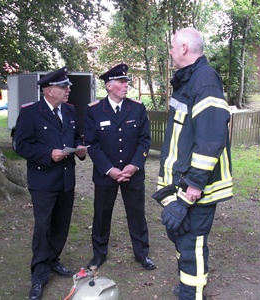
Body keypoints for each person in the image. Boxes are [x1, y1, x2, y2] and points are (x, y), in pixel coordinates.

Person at [152, 28, 233, 300]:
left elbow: (211, 139)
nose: (171, 52)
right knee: (181, 236)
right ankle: (188, 287)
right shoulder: (189, 80)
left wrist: (194, 185)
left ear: (185, 48)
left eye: (173, 47)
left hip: (196, 186)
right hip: (183, 182)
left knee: (191, 244)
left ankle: (192, 294)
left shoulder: (205, 80)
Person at [14, 67, 87, 300]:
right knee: (43, 227)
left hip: (66, 179)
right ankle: (39, 275)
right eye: (64, 87)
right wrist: (48, 154)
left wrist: (81, 150)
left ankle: (53, 259)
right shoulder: (30, 113)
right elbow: (21, 146)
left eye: (67, 86)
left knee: (61, 224)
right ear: (48, 90)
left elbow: (75, 137)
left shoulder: (70, 111)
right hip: (43, 180)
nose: (68, 90)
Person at [83, 63, 155, 271]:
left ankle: (141, 254)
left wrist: (134, 165)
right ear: (108, 85)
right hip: (106, 175)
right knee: (102, 214)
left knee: (137, 214)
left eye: (126, 82)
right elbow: (92, 144)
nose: (126, 85)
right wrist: (110, 169)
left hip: (133, 173)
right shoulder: (95, 111)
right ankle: (99, 254)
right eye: (122, 82)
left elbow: (144, 140)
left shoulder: (137, 108)